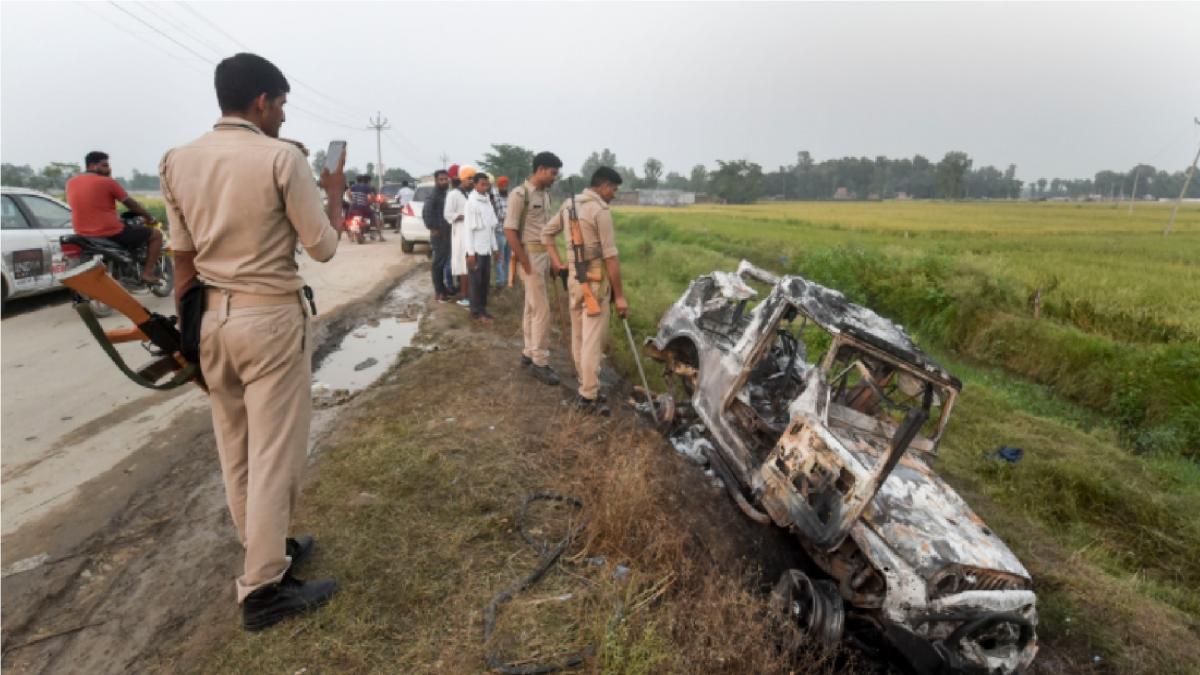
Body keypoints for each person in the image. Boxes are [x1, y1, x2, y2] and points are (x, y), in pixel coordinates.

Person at [158, 52, 342, 631]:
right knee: (273, 456)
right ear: (261, 102)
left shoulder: (176, 161)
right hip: (268, 320)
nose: (284, 116)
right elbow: (324, 247)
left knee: (235, 450)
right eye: (282, 104)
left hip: (211, 320)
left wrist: (189, 331)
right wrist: (331, 191)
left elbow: (181, 257)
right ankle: (263, 588)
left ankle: (267, 551)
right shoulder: (282, 158)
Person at [543, 167, 628, 415]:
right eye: (613, 188)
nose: (613, 194)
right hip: (595, 279)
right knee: (592, 341)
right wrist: (620, 296)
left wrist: (558, 263)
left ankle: (584, 382)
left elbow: (546, 234)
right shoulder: (599, 211)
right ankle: (589, 395)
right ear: (603, 186)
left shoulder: (569, 205)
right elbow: (611, 257)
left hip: (574, 278)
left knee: (579, 335)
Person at [503, 151, 562, 385]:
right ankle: (540, 361)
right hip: (530, 257)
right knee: (542, 310)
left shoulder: (545, 195)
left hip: (542, 256)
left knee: (531, 307)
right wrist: (525, 262)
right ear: (540, 169)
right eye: (552, 173)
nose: (554, 178)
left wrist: (554, 260)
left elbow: (547, 230)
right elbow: (509, 230)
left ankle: (528, 352)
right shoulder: (520, 195)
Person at [66, 151, 164, 283]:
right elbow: (131, 204)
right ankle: (147, 273)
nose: (109, 168)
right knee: (156, 235)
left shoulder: (71, 182)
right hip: (109, 232)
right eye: (105, 165)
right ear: (93, 166)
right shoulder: (107, 182)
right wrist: (149, 217)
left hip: (81, 233)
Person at [464, 172, 499, 324]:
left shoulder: (487, 202)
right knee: (475, 283)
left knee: (485, 282)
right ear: (475, 185)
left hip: (486, 249)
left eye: (487, 184)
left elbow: (490, 228)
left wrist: (495, 248)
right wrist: (470, 254)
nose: (485, 186)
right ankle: (475, 312)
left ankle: (483, 309)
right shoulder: (470, 203)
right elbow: (468, 230)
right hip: (475, 250)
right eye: (482, 184)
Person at [444, 165, 475, 307]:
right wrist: (461, 216)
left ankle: (469, 294)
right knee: (463, 265)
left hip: (469, 233)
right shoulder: (453, 194)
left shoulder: (468, 194)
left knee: (469, 264)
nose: (472, 182)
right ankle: (464, 295)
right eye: (470, 179)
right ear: (463, 179)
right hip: (460, 232)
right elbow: (447, 214)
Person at [422, 170, 453, 302]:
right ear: (436, 181)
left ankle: (443, 288)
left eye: (446, 179)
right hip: (439, 235)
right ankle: (439, 292)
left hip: (446, 233)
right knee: (438, 264)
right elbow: (426, 213)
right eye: (441, 179)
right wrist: (433, 228)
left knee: (443, 262)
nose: (444, 181)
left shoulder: (444, 194)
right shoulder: (433, 195)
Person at [348, 174, 383, 240]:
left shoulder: (353, 186)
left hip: (353, 207)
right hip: (363, 207)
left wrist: (351, 200)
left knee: (349, 218)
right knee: (374, 216)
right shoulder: (367, 187)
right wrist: (370, 202)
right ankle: (380, 236)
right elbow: (372, 196)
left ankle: (351, 236)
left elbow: (348, 193)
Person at [491, 176, 510, 289]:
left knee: (508, 258)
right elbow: (499, 215)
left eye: (506, 184)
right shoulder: (495, 197)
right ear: (498, 185)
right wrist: (510, 217)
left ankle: (507, 280)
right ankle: (500, 282)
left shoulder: (508, 196)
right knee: (500, 258)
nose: (504, 186)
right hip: (499, 231)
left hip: (509, 231)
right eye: (502, 185)